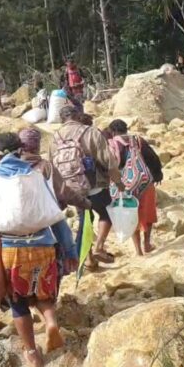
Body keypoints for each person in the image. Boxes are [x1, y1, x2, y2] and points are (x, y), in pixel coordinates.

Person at [0, 133, 76, 367]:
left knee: (18, 302)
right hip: (43, 247)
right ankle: (50, 322)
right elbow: (55, 217)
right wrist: (69, 250)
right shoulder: (36, 176)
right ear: (21, 151)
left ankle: (32, 353)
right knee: (43, 293)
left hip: (10, 251)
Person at [51, 104, 122, 269]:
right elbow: (108, 160)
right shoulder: (90, 132)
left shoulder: (55, 138)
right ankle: (99, 247)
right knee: (106, 213)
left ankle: (89, 259)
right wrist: (118, 182)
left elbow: (51, 167)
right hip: (94, 184)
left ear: (62, 119)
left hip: (72, 189)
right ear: (76, 116)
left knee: (85, 220)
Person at [106, 120, 163, 256]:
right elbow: (153, 158)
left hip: (124, 186)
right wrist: (157, 175)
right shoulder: (138, 140)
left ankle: (138, 250)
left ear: (112, 131)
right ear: (126, 129)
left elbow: (109, 166)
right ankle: (147, 244)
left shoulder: (111, 144)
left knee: (131, 214)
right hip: (144, 182)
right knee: (148, 214)